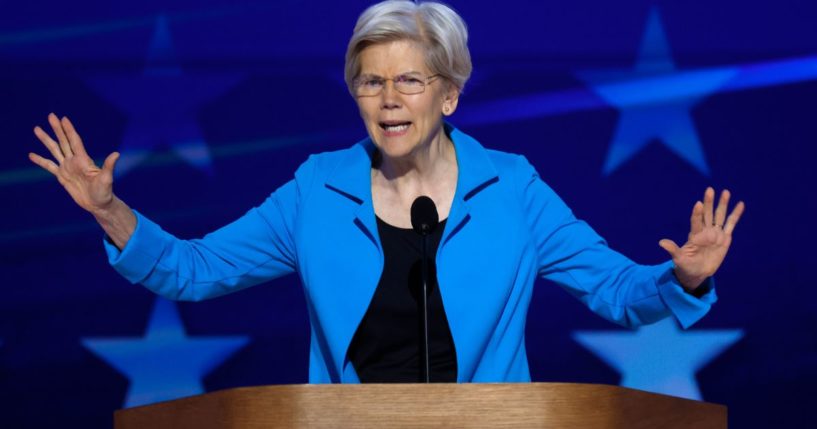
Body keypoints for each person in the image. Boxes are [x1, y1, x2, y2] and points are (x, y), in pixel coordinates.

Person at [28, 0, 744, 384]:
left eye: (411, 79)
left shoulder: (512, 188)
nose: (389, 98)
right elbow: (193, 270)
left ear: (450, 95)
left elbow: (617, 289)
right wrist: (109, 210)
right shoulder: (318, 189)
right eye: (371, 80)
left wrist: (679, 279)